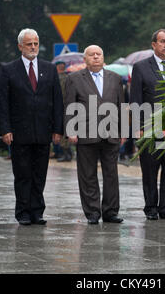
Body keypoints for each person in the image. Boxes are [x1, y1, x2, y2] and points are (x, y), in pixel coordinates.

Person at [0, 28, 63, 226]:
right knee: (22, 173)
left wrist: (58, 129)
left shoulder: (49, 68)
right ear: (20, 46)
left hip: (43, 131)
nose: (33, 47)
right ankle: (23, 211)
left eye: (35, 43)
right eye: (29, 44)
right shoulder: (8, 70)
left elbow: (57, 101)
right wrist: (5, 129)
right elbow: (2, 102)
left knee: (40, 173)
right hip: (19, 132)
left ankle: (37, 211)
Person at [65, 45, 125, 225]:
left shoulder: (114, 78)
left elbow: (121, 105)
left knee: (111, 174)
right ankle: (92, 212)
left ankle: (111, 212)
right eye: (92, 55)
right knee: (87, 175)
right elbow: (69, 106)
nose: (96, 57)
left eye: (99, 54)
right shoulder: (74, 79)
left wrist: (124, 131)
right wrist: (71, 130)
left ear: (103, 57)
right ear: (85, 59)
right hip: (85, 134)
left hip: (111, 133)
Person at [130, 29, 165, 221]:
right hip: (149, 126)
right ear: (154, 44)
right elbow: (135, 99)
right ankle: (151, 207)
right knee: (150, 170)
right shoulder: (141, 67)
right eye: (163, 42)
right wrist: (137, 127)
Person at [55, 61, 72, 162]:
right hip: (70, 107)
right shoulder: (70, 78)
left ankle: (67, 154)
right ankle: (68, 153)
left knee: (61, 130)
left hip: (60, 108)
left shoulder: (56, 78)